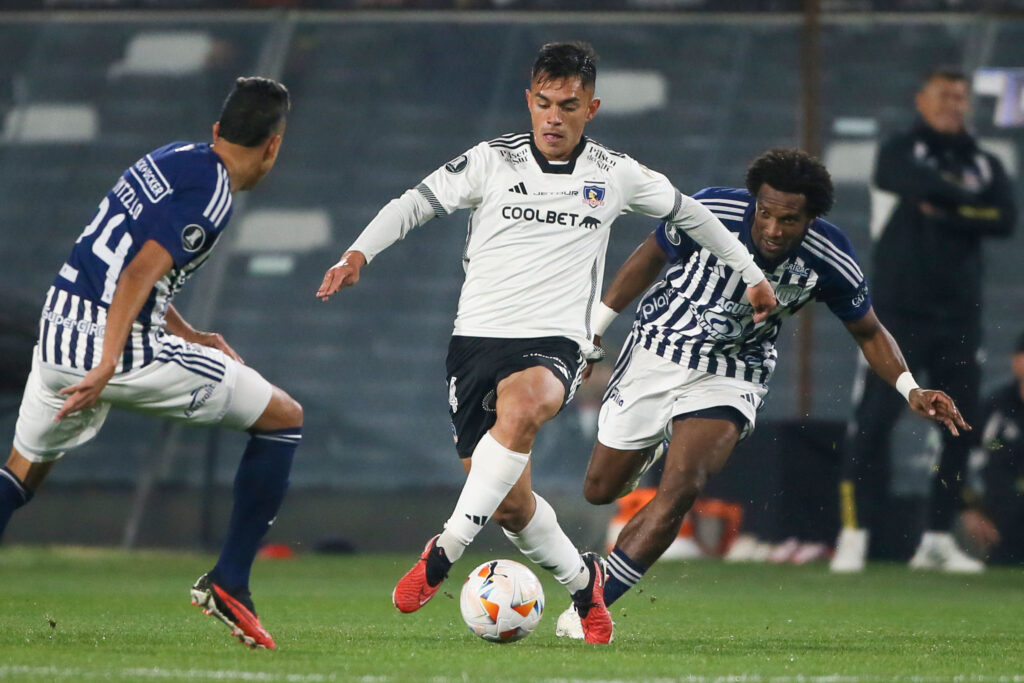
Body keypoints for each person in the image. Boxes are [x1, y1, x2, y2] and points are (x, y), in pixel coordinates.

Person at [315, 41, 776, 645]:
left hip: (556, 340)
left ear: (592, 108)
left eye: (568, 104)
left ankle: (445, 548)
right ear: (528, 103)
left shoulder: (615, 174)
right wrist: (358, 253)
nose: (554, 116)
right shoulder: (492, 160)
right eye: (544, 103)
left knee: (527, 405)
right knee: (508, 506)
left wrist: (752, 274)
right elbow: (415, 205)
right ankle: (585, 587)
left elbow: (691, 215)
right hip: (476, 342)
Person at [552, 148, 970, 639]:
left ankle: (595, 602)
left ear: (811, 218)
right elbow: (647, 259)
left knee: (683, 486)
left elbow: (870, 331)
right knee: (601, 490)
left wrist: (911, 388)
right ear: (754, 202)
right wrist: (595, 330)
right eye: (766, 213)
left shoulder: (829, 257)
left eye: (789, 219)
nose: (773, 229)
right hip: (658, 351)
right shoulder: (710, 211)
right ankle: (661, 438)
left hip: (733, 372)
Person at [0, 77, 300, 650]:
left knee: (21, 472)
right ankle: (230, 580)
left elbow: (127, 263)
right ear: (273, 146)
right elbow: (138, 274)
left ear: (217, 131)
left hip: (58, 326)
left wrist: (191, 333)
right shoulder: (214, 197)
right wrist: (110, 360)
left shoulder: (170, 157)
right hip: (118, 347)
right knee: (284, 417)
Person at [831, 66, 1016, 573]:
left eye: (960, 96)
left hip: (960, 316)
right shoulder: (899, 150)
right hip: (896, 315)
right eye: (943, 95)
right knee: (873, 423)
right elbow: (901, 181)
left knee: (960, 426)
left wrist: (943, 202)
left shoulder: (983, 160)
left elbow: (1003, 218)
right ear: (921, 99)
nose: (953, 104)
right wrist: (968, 205)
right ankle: (855, 533)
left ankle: (936, 536)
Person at [960, 331, 1024, 565]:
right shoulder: (993, 407)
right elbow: (958, 456)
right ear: (1015, 361)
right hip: (994, 523)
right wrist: (967, 508)